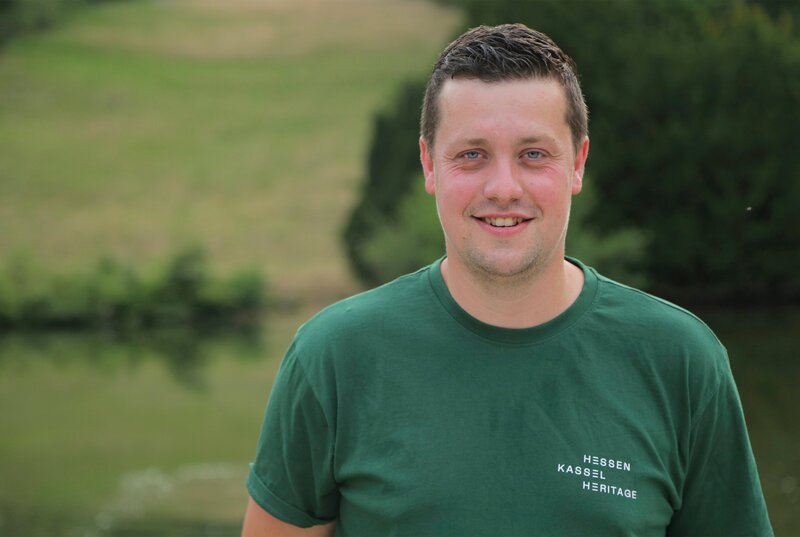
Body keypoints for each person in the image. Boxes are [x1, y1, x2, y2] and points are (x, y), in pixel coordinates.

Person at [241, 23, 773, 536]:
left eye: (533, 155)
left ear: (578, 164)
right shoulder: (333, 356)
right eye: (471, 155)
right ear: (429, 165)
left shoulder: (680, 359)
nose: (502, 187)